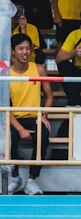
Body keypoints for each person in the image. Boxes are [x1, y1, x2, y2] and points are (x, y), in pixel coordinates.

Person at [7, 33, 52, 195]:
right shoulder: (6, 73)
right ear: (13, 51)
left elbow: (49, 96)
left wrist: (43, 115)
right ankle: (15, 177)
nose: (25, 52)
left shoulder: (39, 69)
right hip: (13, 118)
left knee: (43, 136)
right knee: (8, 139)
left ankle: (32, 180)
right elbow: (4, 105)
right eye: (21, 49)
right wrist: (20, 129)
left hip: (35, 117)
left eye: (28, 48)